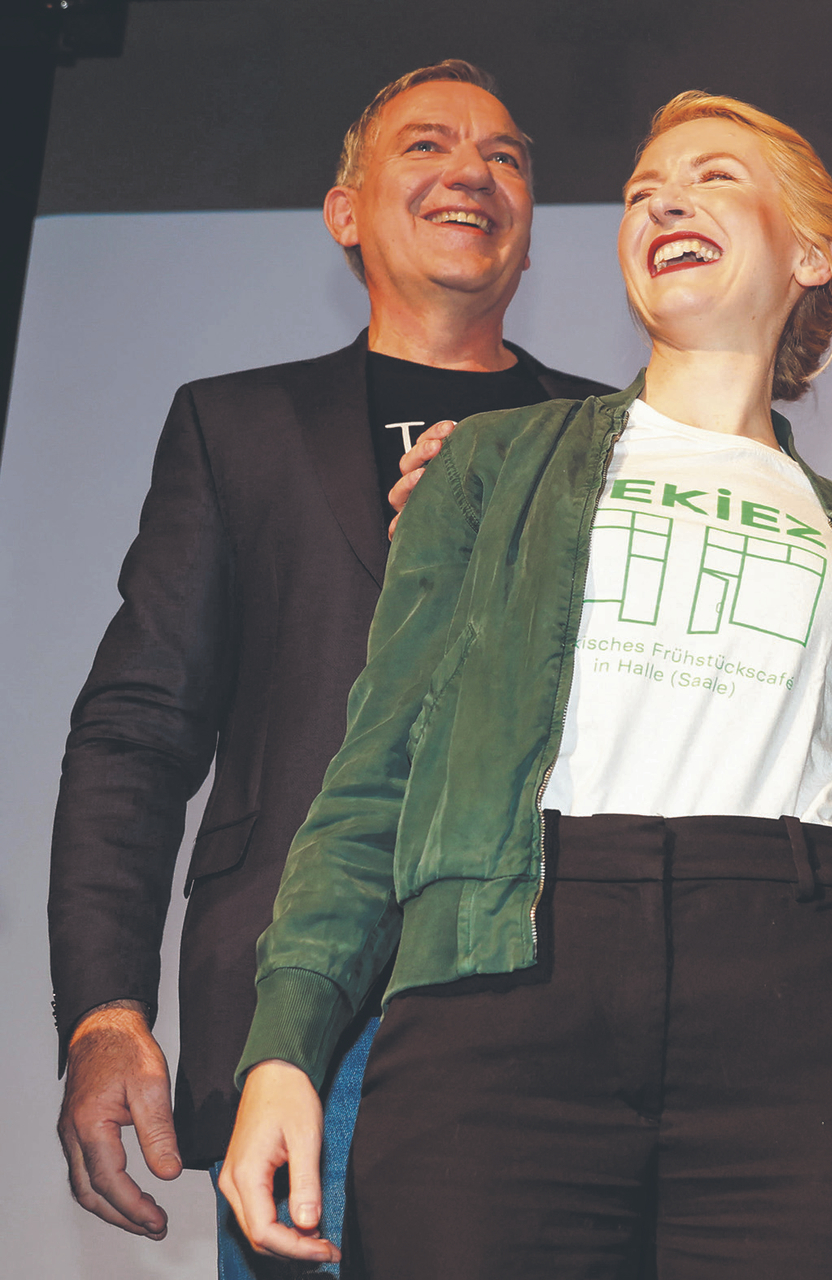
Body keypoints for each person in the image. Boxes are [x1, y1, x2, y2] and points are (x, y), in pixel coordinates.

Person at [219, 91, 832, 1280]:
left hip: (801, 997)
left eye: (714, 175)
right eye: (642, 190)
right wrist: (286, 1039)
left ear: (811, 249)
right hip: (507, 975)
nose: (664, 199)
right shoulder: (494, 463)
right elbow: (378, 768)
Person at [48, 59, 613, 1277]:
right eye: (426, 145)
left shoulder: (614, 443)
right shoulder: (236, 428)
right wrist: (105, 1009)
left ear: (528, 232)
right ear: (344, 211)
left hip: (561, 1018)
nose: (472, 169)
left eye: (506, 156)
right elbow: (136, 735)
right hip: (307, 1037)